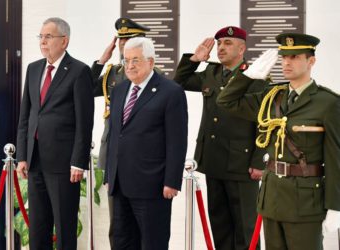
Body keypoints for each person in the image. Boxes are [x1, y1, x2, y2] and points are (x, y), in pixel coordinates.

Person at [217, 33, 340, 250]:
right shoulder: (272, 97)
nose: (286, 63)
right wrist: (247, 77)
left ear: (311, 61)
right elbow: (226, 101)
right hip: (271, 199)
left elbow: (335, 158)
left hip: (306, 202)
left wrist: (336, 206)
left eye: (294, 57)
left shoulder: (327, 103)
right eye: (284, 58)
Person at [174, 26, 267, 250]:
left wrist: (258, 161)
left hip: (242, 163)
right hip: (214, 159)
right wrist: (195, 59)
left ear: (242, 48)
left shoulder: (255, 76)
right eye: (219, 44)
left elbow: (263, 122)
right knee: (220, 225)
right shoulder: (211, 73)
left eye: (227, 43)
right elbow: (178, 83)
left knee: (245, 227)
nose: (221, 48)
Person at [16, 17, 94, 250]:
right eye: (41, 36)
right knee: (38, 227)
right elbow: (26, 118)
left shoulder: (79, 71)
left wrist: (78, 162)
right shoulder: (33, 69)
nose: (43, 41)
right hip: (35, 160)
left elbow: (84, 122)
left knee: (64, 227)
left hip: (63, 164)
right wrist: (22, 156)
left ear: (64, 41)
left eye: (48, 36)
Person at [105, 37, 188, 250]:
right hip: (120, 184)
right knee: (121, 242)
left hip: (153, 186)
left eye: (136, 60)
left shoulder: (171, 92)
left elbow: (177, 140)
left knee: (153, 243)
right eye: (126, 60)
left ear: (151, 62)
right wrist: (109, 174)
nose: (130, 66)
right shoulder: (119, 90)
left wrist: (172, 180)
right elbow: (116, 134)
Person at [90, 17, 154, 248]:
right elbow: (85, 89)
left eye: (129, 40)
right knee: (117, 223)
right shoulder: (111, 73)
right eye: (120, 40)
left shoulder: (152, 76)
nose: (123, 44)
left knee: (143, 223)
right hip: (113, 155)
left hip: (141, 157)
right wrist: (100, 61)